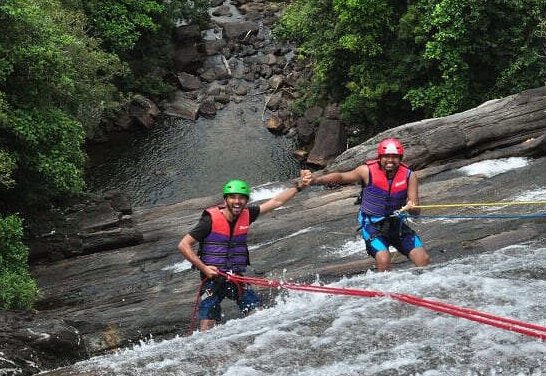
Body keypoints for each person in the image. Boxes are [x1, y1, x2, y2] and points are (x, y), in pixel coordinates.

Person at [178, 175, 311, 330]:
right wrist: (205, 268)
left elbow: (276, 202)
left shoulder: (247, 214)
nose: (237, 201)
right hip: (213, 279)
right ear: (225, 200)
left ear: (246, 200)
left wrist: (298, 187)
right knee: (207, 322)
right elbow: (183, 245)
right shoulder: (209, 221)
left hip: (236, 277)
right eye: (233, 197)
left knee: (259, 314)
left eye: (241, 198)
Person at [305, 137, 430, 272]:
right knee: (384, 259)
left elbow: (416, 212)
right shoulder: (366, 171)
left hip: (396, 225)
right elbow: (342, 177)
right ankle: (383, 291)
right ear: (379, 157)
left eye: (395, 157)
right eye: (386, 156)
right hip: (372, 226)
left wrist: (412, 208)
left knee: (423, 259)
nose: (390, 160)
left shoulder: (409, 176)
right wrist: (316, 180)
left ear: (400, 158)